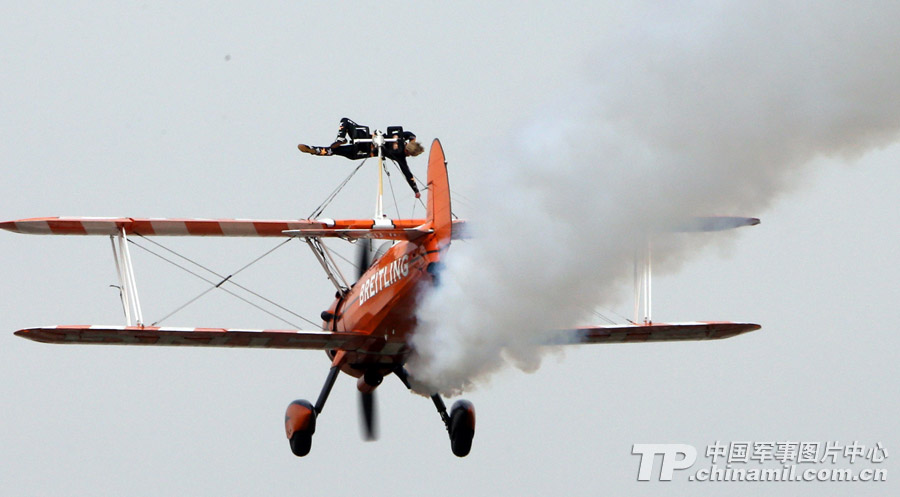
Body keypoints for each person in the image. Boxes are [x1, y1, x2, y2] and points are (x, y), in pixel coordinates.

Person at [299, 118, 424, 197]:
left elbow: (411, 134)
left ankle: (339, 139)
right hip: (361, 152)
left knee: (345, 121)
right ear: (409, 153)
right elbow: (408, 175)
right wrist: (416, 191)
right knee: (334, 151)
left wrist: (413, 140)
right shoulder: (400, 156)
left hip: (364, 138)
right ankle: (315, 150)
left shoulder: (400, 136)